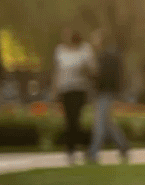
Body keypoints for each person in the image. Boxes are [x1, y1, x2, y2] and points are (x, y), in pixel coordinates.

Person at [52, 29, 95, 165]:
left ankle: (80, 146)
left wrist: (84, 70)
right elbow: (57, 72)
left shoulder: (85, 50)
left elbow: (92, 69)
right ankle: (73, 149)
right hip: (65, 90)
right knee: (69, 120)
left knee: (75, 119)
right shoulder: (60, 51)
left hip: (79, 89)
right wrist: (55, 90)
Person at [88, 29, 130, 164]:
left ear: (100, 40)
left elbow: (102, 76)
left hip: (105, 93)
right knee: (107, 123)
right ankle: (123, 146)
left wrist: (93, 76)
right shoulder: (107, 55)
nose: (93, 42)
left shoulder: (105, 56)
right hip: (105, 93)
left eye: (95, 39)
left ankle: (93, 152)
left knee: (99, 123)